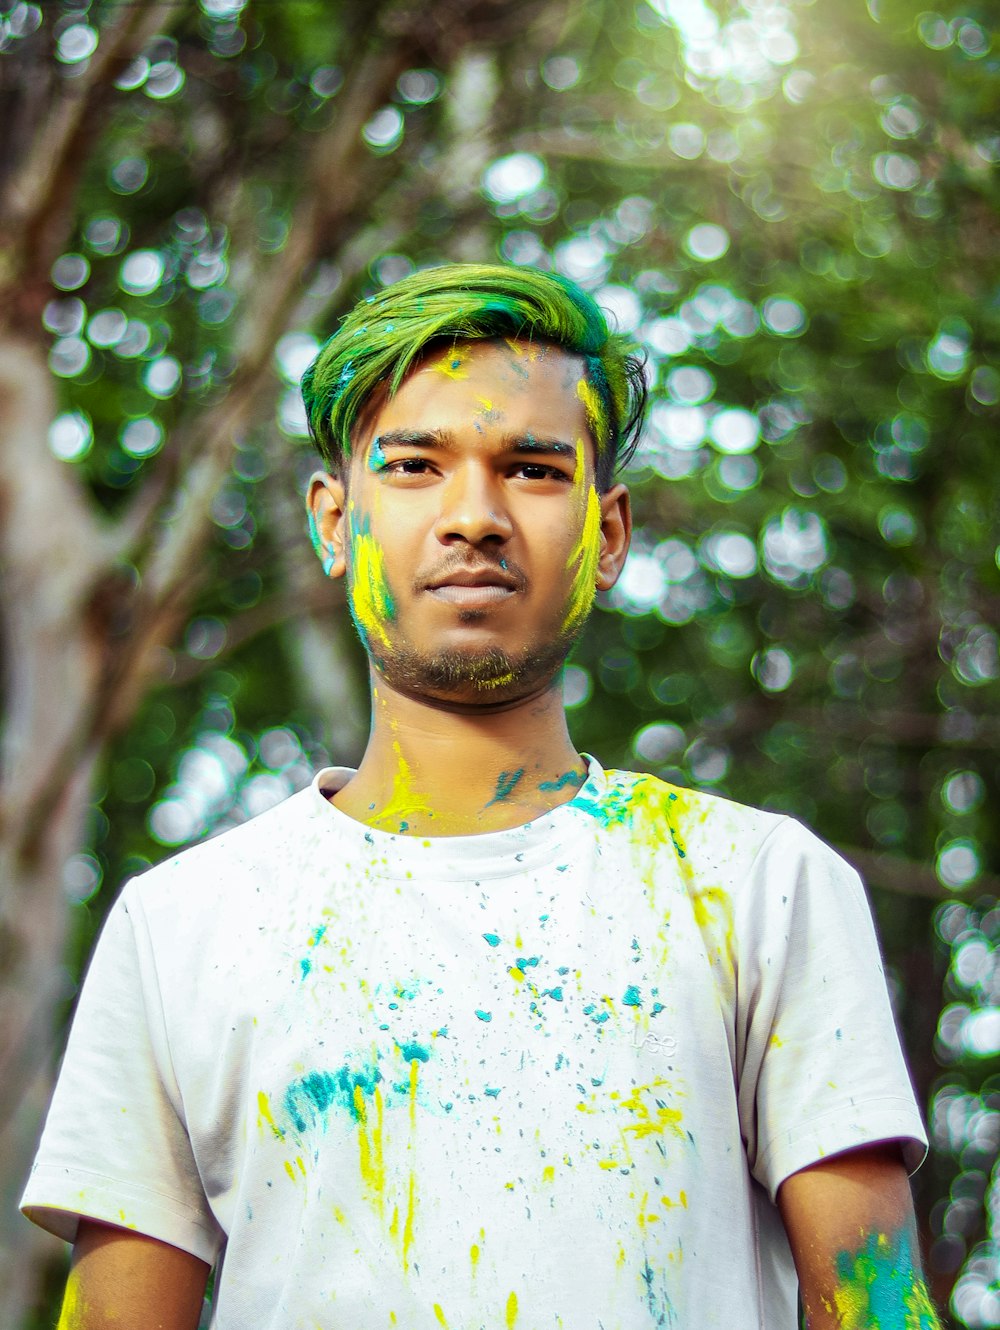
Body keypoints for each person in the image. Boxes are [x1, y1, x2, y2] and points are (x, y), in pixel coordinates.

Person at [23, 263, 941, 1329]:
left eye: (533, 470)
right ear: (333, 520)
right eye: (414, 464)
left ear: (607, 534)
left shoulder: (758, 886)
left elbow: (876, 1307)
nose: (475, 516)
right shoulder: (180, 924)